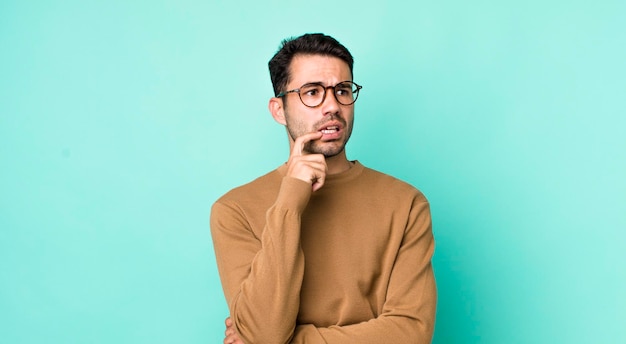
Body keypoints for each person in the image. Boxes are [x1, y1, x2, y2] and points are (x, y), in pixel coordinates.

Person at [210, 33, 437, 344]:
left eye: (342, 90)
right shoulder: (233, 210)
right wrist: (291, 198)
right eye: (312, 92)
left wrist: (294, 342)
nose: (332, 105)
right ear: (279, 110)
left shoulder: (406, 203)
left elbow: (411, 332)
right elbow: (265, 331)